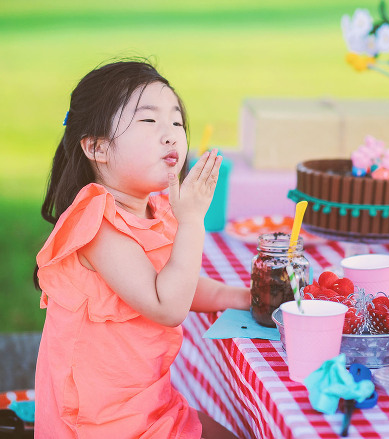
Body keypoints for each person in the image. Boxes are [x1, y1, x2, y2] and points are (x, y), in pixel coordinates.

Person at [34, 59, 249, 438]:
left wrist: (242, 297)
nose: (171, 136)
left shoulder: (156, 208)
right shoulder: (97, 224)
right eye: (149, 120)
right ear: (97, 147)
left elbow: (172, 282)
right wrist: (192, 221)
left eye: (177, 122)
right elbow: (168, 306)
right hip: (101, 423)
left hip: (146, 403)